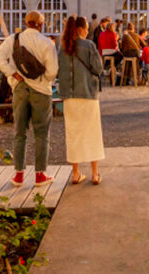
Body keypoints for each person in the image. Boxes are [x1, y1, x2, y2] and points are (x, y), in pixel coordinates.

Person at [0, 10, 58, 187]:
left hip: (19, 89)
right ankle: (40, 175)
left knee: (19, 132)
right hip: (41, 91)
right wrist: (42, 78)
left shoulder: (13, 39)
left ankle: (19, 175)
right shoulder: (47, 43)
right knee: (41, 133)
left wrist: (13, 73)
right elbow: (52, 73)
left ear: (25, 22)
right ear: (41, 24)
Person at [58, 16, 104, 185]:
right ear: (83, 29)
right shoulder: (89, 45)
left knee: (73, 134)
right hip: (87, 94)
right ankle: (94, 173)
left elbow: (58, 69)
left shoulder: (62, 47)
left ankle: (76, 173)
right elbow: (98, 68)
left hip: (69, 96)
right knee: (92, 133)